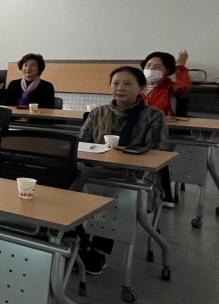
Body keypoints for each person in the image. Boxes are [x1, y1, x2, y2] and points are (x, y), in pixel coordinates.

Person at [77, 66, 168, 274]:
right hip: (97, 173)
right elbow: (81, 143)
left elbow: (158, 150)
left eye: (127, 84)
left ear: (141, 88)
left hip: (136, 178)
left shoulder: (153, 115)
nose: (120, 88)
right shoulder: (98, 113)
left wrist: (125, 152)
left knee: (114, 194)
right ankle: (79, 245)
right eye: (116, 83)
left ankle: (97, 250)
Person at [140, 50, 190, 207]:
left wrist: (180, 67)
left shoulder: (169, 87)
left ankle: (165, 196)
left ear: (166, 71)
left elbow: (183, 86)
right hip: (139, 130)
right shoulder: (137, 85)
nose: (151, 69)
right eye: (148, 65)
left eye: (156, 66)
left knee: (156, 153)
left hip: (163, 131)